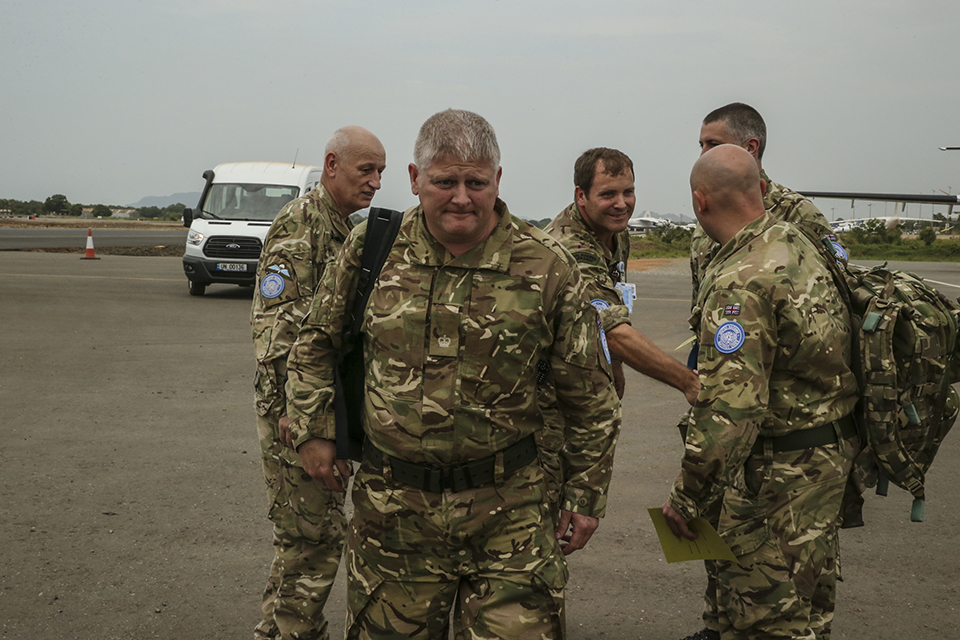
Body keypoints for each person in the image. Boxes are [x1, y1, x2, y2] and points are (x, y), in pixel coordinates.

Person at [284, 109, 621, 639]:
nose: (461, 197)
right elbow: (314, 345)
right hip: (393, 517)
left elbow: (593, 397)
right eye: (444, 181)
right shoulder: (370, 249)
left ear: (498, 181)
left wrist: (585, 497)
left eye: (476, 182)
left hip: (510, 511)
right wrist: (311, 430)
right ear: (416, 180)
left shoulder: (547, 265)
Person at [662, 144, 859, 640]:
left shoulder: (741, 281)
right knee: (808, 614)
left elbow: (731, 410)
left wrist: (687, 498)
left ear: (699, 201)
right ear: (762, 190)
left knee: (765, 621)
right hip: (822, 469)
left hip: (773, 486)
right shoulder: (798, 243)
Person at [250, 125, 386, 640]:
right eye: (365, 170)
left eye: (380, 172)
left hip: (316, 407)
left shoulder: (341, 227)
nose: (375, 182)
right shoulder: (301, 227)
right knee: (312, 541)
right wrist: (302, 420)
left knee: (306, 539)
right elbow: (278, 332)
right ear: (332, 165)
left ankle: (278, 632)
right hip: (296, 413)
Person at [538, 148, 698, 511]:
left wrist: (615, 366)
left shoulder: (614, 235)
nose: (621, 204)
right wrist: (688, 382)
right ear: (581, 196)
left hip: (582, 384)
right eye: (608, 194)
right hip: (551, 398)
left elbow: (610, 303)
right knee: (550, 499)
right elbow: (611, 329)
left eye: (628, 192)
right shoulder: (572, 247)